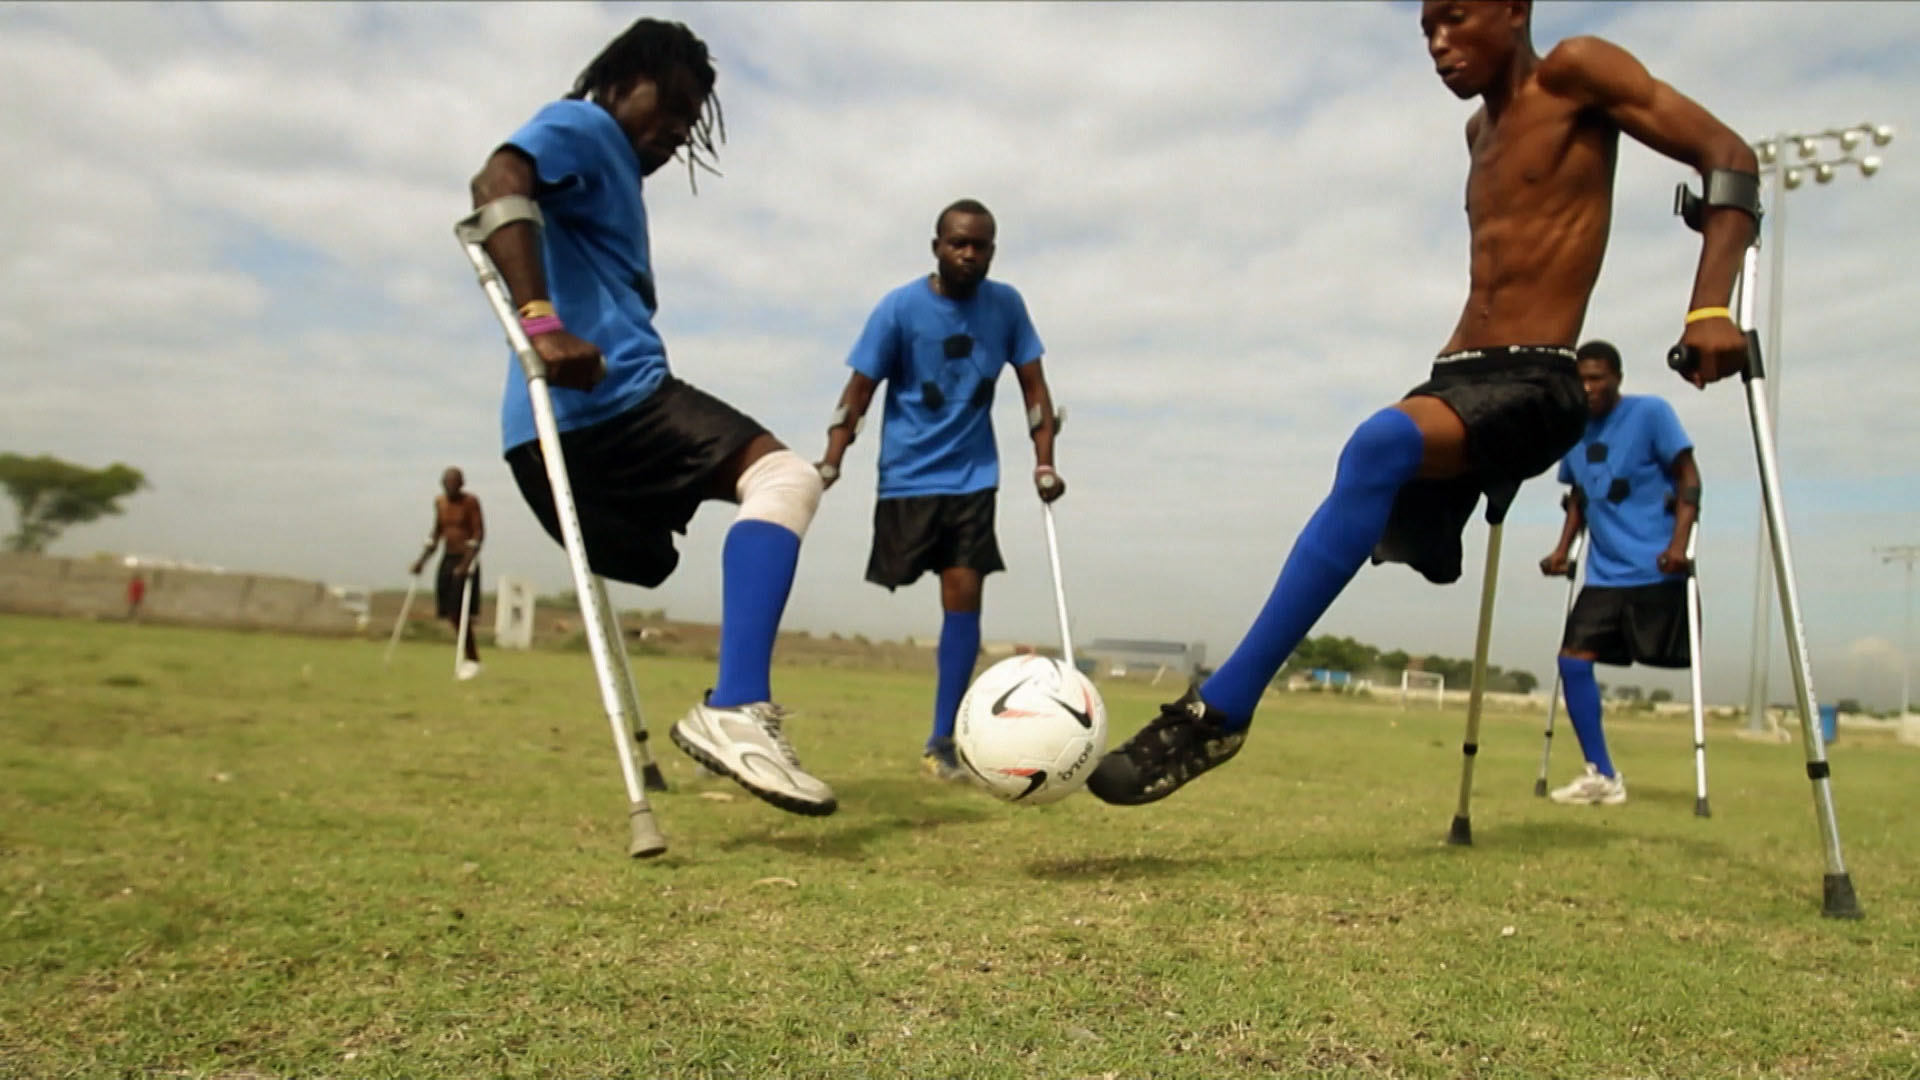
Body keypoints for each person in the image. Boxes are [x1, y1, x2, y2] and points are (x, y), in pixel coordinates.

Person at [1088, 0, 1758, 806]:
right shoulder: (1476, 136)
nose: (1439, 46)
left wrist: (1709, 307)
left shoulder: (1577, 70)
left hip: (1538, 379)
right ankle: (1436, 528)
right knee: (1387, 482)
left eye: (1456, 20)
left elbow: (1728, 157)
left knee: (1376, 447)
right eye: (1425, 32)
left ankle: (1221, 710)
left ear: (1513, 12)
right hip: (1455, 377)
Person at [466, 17, 835, 816]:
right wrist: (540, 320)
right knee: (785, 476)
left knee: (660, 560)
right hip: (609, 405)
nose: (673, 132)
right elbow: (496, 183)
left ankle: (720, 715)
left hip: (542, 442)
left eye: (688, 122)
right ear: (617, 81)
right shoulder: (584, 124)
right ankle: (735, 708)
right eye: (666, 106)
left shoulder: (612, 178)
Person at [816, 199, 1064, 781]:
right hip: (907, 477)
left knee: (963, 589)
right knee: (896, 582)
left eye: (980, 246)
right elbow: (858, 390)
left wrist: (1044, 463)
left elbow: (1035, 388)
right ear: (936, 246)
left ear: (993, 251)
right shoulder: (899, 309)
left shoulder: (1007, 307)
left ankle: (942, 741)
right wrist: (831, 459)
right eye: (958, 243)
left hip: (973, 477)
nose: (969, 254)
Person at [1537, 339, 1700, 805]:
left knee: (1671, 664)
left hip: (1655, 566)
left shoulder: (1652, 413)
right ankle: (1602, 775)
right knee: (1572, 661)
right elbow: (1579, 500)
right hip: (1605, 574)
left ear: (1617, 378)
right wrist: (1561, 550)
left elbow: (1690, 477)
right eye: (1580, 379)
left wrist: (1678, 546)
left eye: (1597, 378)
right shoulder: (1573, 432)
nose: (1588, 388)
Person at [410, 467, 486, 680]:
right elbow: (436, 533)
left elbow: (479, 533)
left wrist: (466, 563)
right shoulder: (440, 503)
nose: (449, 487)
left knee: (461, 612)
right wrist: (422, 561)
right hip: (447, 558)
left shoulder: (471, 502)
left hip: (465, 559)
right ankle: (470, 657)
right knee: (448, 612)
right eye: (446, 483)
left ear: (462, 483)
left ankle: (472, 660)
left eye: (454, 482)